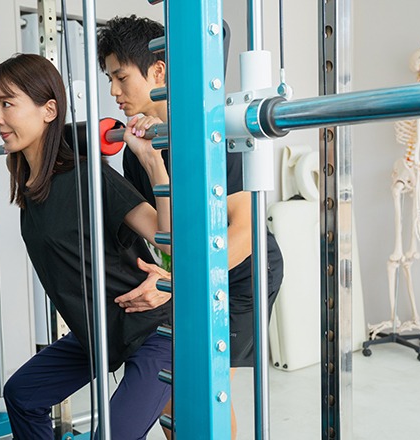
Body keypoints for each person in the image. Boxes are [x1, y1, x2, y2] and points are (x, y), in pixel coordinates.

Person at [97, 15, 284, 440]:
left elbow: (244, 230)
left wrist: (178, 281)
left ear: (158, 71)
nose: (113, 92)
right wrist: (151, 161)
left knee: (203, 389)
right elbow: (164, 238)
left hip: (242, 273)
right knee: (168, 394)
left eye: (121, 77)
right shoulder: (137, 151)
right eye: (110, 79)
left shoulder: (213, 133)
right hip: (190, 273)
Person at [0, 53, 173, 440]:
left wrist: (152, 162)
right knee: (22, 394)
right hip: (99, 332)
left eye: (7, 104)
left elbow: (167, 236)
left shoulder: (87, 176)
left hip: (154, 330)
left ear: (49, 110)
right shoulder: (31, 187)